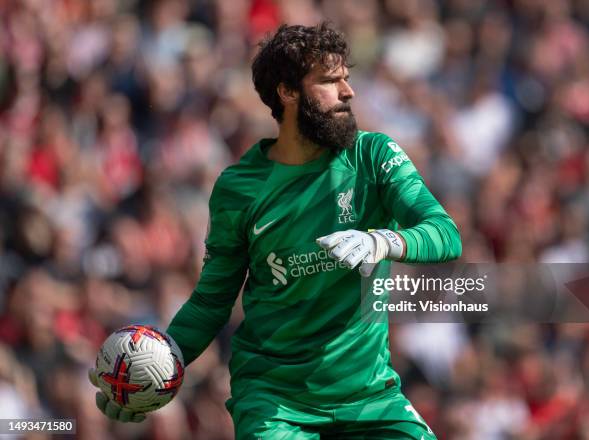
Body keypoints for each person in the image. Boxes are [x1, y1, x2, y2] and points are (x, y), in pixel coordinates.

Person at [89, 22, 461, 438]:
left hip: (369, 396)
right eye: (329, 81)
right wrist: (150, 373)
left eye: (346, 79)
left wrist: (383, 240)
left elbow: (445, 234)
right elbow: (212, 301)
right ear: (287, 92)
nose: (348, 92)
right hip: (275, 402)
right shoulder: (240, 188)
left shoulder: (373, 157)